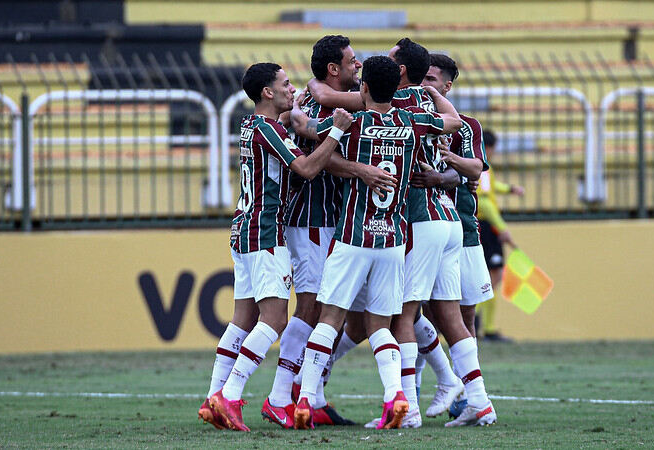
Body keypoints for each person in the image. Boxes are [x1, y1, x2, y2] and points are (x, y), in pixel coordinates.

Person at [289, 55, 463, 430]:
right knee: (381, 327)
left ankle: (303, 399)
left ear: (363, 88)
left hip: (353, 235)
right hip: (393, 240)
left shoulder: (354, 123)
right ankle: (395, 397)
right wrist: (432, 92)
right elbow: (453, 121)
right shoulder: (411, 120)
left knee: (330, 318)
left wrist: (304, 105)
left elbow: (304, 127)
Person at [197, 62, 354, 432]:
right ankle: (229, 395)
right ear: (267, 92)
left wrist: (293, 114)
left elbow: (285, 143)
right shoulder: (267, 129)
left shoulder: (253, 125)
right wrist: (337, 133)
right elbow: (306, 169)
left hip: (244, 228)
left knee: (243, 319)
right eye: (285, 85)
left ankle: (213, 396)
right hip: (265, 231)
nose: (292, 89)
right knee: (275, 319)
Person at [261, 34, 361, 429]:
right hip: (311, 220)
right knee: (311, 307)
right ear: (333, 68)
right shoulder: (313, 105)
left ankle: (312, 393)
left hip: (334, 219)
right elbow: (323, 153)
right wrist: (361, 169)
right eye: (352, 62)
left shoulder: (333, 99)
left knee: (335, 310)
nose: (358, 67)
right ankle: (281, 395)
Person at [415, 53, 497, 423]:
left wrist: (450, 167)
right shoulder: (416, 119)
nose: (425, 84)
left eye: (432, 79)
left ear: (447, 86)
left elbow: (475, 169)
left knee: (462, 317)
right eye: (422, 77)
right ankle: (428, 389)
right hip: (427, 227)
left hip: (462, 229)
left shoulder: (465, 126)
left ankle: (465, 392)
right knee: (421, 313)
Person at [475, 130, 524, 342]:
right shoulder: (482, 166)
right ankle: (482, 325)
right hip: (487, 226)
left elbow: (490, 189)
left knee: (488, 278)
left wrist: (510, 189)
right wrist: (502, 229)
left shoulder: (473, 164)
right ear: (489, 147)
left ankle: (482, 326)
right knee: (492, 277)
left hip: (479, 226)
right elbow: (484, 201)